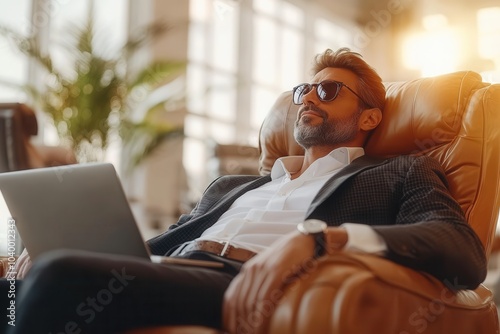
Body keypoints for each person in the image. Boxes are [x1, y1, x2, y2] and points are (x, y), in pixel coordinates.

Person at [1, 47, 486, 334]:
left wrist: (323, 238)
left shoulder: (397, 172)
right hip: (173, 265)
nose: (309, 98)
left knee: (59, 277)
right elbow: (159, 243)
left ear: (370, 117)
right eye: (303, 90)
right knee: (20, 280)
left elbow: (462, 250)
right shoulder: (232, 186)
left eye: (330, 91)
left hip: (244, 282)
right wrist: (61, 244)